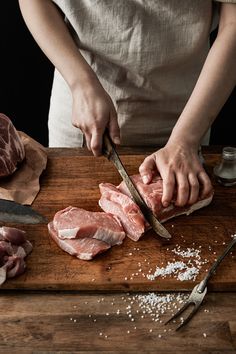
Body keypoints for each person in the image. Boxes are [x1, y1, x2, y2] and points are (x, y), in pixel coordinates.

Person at [18, 0, 236, 208]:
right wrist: (81, 83)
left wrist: (184, 140)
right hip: (81, 107)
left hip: (186, 113)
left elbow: (233, 23)